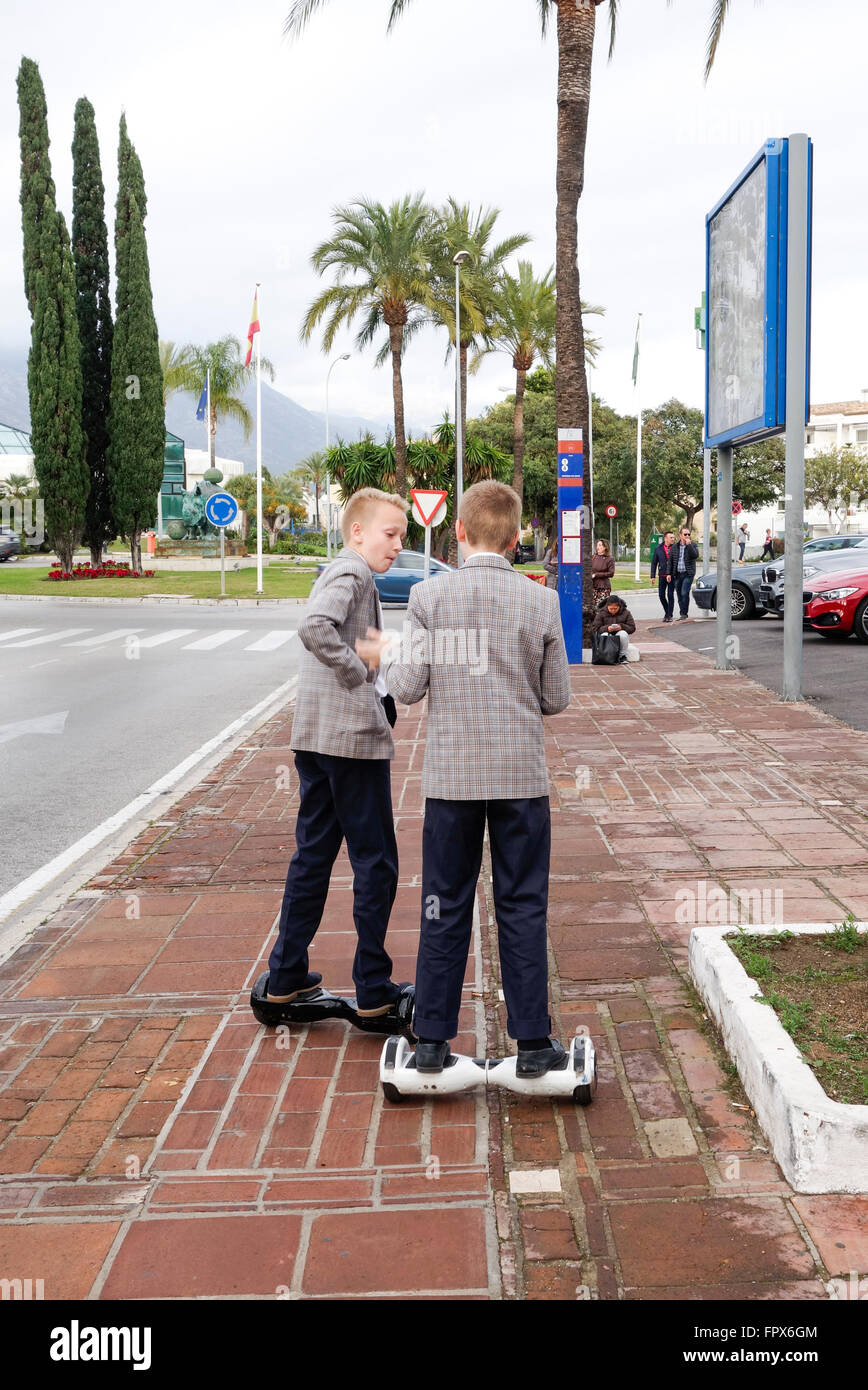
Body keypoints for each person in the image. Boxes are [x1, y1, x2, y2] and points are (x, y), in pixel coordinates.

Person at [357, 480, 571, 1078]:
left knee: (441, 904)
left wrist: (389, 653)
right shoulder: (541, 602)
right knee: (523, 904)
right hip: (520, 780)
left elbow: (405, 687)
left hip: (450, 781)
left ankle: (430, 1041)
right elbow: (556, 698)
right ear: (516, 536)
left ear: (460, 533)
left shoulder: (429, 598)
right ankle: (532, 1044)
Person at [264, 487, 411, 1017]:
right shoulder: (352, 572)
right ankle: (373, 991)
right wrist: (356, 672)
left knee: (314, 856)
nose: (397, 545)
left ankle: (285, 976)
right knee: (377, 863)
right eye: (390, 534)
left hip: (317, 740)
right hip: (350, 744)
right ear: (358, 532)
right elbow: (313, 628)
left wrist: (375, 659)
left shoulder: (349, 573)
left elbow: (340, 637)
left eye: (401, 536)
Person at [588, 593, 639, 662]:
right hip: (606, 634)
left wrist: (621, 626)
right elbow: (595, 628)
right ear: (607, 606)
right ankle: (605, 655)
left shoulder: (626, 612)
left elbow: (632, 628)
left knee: (623, 634)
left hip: (619, 634)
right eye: (611, 609)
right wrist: (607, 628)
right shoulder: (601, 613)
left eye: (615, 608)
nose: (613, 610)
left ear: (619, 606)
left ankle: (622, 656)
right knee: (604, 635)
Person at [672, 525, 699, 621]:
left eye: (689, 534)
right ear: (680, 535)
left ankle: (684, 613)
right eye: (685, 534)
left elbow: (695, 555)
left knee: (684, 592)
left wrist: (689, 545)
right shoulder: (675, 547)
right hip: (677, 574)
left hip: (688, 574)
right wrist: (668, 574)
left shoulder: (693, 545)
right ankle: (683, 613)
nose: (687, 536)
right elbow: (671, 561)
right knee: (679, 594)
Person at [650, 529, 675, 622]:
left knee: (670, 595)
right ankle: (667, 612)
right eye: (671, 537)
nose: (673, 539)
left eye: (673, 537)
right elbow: (654, 563)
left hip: (672, 576)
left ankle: (669, 615)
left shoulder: (675, 548)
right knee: (661, 595)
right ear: (665, 538)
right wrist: (652, 576)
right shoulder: (658, 548)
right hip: (662, 575)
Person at [591, 538, 616, 603]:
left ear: (605, 547)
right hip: (593, 587)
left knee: (601, 608)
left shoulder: (610, 559)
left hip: (604, 588)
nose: (597, 547)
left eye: (600, 545)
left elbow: (611, 573)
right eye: (597, 545)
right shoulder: (593, 557)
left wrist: (596, 575)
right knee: (592, 609)